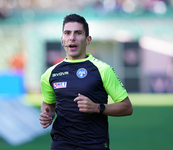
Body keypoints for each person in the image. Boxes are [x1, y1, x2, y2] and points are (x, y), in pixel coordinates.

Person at [39, 13, 133, 150]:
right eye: (67, 33)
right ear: (62, 39)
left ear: (88, 40)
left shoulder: (103, 69)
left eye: (78, 33)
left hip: (94, 144)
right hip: (61, 144)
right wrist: (47, 115)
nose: (72, 37)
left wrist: (97, 107)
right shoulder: (49, 74)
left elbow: (127, 107)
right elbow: (48, 104)